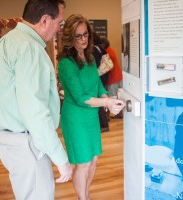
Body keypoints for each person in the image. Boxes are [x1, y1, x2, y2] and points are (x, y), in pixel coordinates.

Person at [0, 1, 72, 200]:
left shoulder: (8, 41)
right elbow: (34, 111)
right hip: (27, 143)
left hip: (10, 141)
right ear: (44, 20)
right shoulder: (29, 48)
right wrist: (60, 158)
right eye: (59, 22)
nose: (59, 28)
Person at [57, 14, 125, 200]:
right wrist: (107, 103)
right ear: (70, 38)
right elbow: (80, 97)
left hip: (91, 116)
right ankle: (83, 198)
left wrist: (106, 98)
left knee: (93, 160)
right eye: (78, 36)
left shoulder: (90, 59)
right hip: (76, 118)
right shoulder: (66, 64)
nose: (83, 39)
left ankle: (85, 195)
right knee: (84, 162)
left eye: (85, 34)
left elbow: (98, 86)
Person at [100, 37, 123, 119]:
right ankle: (118, 113)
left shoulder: (108, 52)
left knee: (113, 96)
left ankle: (115, 113)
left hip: (113, 78)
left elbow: (108, 66)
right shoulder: (110, 50)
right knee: (116, 95)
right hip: (117, 76)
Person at [92, 32, 110, 132]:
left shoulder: (93, 49)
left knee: (98, 100)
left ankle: (104, 124)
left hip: (97, 77)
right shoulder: (100, 47)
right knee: (101, 97)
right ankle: (104, 122)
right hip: (103, 76)